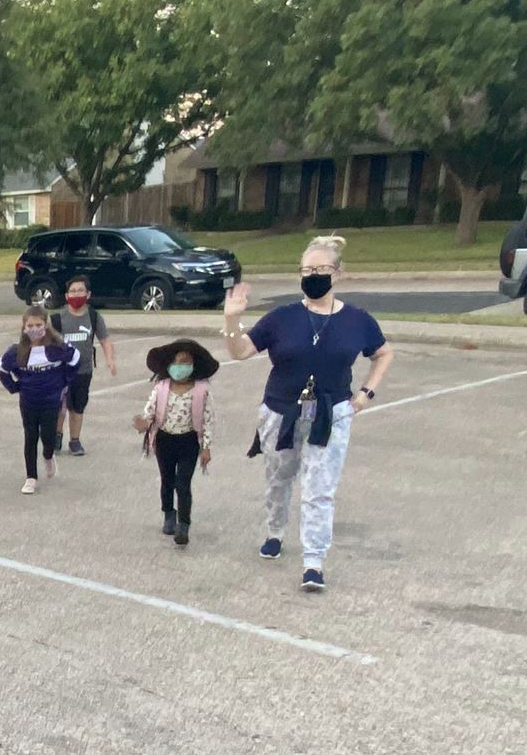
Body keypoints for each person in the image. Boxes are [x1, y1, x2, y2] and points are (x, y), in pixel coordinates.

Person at [222, 234, 394, 592]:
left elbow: (383, 353)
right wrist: (232, 321)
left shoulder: (357, 320)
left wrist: (365, 394)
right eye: (307, 269)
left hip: (331, 415)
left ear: (338, 272)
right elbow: (240, 351)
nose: (314, 275)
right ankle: (275, 530)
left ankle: (313, 561)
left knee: (319, 489)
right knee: (278, 478)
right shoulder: (282, 318)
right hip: (280, 412)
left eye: (321, 269)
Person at [133, 337, 218, 547]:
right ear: (169, 365)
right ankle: (169, 514)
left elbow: (208, 419)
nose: (181, 367)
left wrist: (206, 447)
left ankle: (184, 524)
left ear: (194, 366)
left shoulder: (201, 390)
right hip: (165, 440)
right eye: (177, 362)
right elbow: (150, 411)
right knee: (167, 480)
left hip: (188, 441)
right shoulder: (161, 388)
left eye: (186, 363)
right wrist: (143, 422)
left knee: (183, 483)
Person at [0, 305, 79, 494]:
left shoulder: (58, 347)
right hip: (28, 400)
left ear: (45, 325)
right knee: (30, 435)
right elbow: (0, 367)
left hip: (51, 400)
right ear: (24, 327)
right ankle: (31, 477)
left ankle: (48, 455)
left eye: (38, 325)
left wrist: (64, 380)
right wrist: (14, 386)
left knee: (48, 436)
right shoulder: (17, 351)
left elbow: (76, 359)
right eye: (30, 325)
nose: (35, 329)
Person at [49, 278, 116, 456]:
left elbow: (105, 340)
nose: (76, 294)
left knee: (77, 407)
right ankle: (56, 436)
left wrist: (110, 360)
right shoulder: (56, 319)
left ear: (88, 294)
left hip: (83, 371)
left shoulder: (94, 317)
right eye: (73, 290)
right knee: (59, 407)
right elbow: (46, 344)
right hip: (60, 372)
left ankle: (75, 440)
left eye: (80, 290)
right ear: (66, 295)